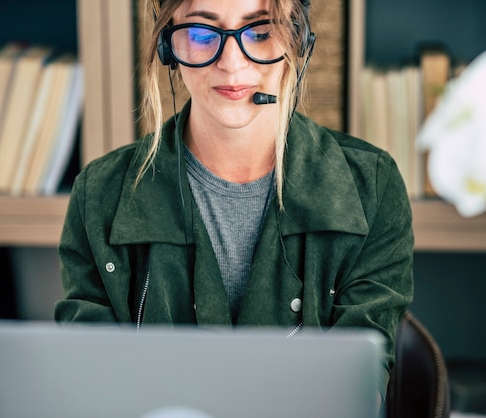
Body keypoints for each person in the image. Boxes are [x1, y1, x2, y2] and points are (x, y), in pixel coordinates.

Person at [55, 0, 413, 403]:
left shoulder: (373, 188)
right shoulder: (99, 196)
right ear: (168, 45)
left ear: (299, 40)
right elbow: (92, 390)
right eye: (203, 34)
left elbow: (357, 393)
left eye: (259, 32)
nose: (231, 63)